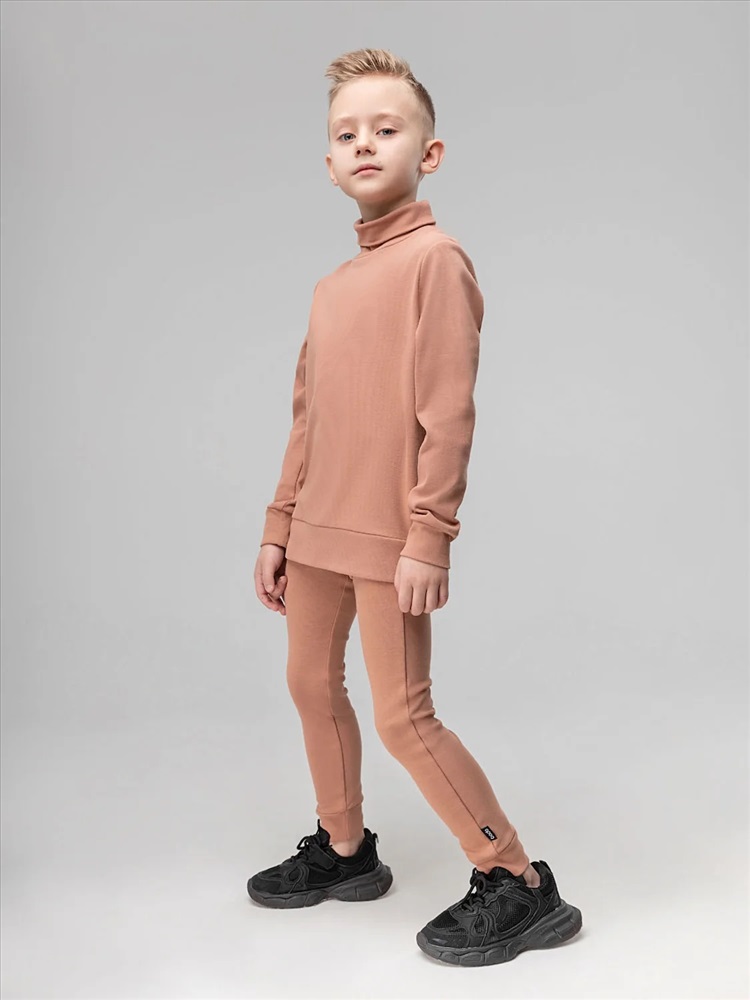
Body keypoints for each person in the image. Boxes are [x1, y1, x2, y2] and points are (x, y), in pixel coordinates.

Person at [247, 46, 582, 967]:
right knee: (310, 686)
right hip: (316, 532)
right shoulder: (331, 288)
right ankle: (345, 849)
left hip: (388, 537)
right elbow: (308, 420)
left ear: (428, 153)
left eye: (386, 129)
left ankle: (517, 880)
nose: (365, 144)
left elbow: (448, 414)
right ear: (328, 162)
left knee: (404, 717)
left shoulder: (437, 261)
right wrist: (278, 527)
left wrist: (430, 536)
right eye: (346, 133)